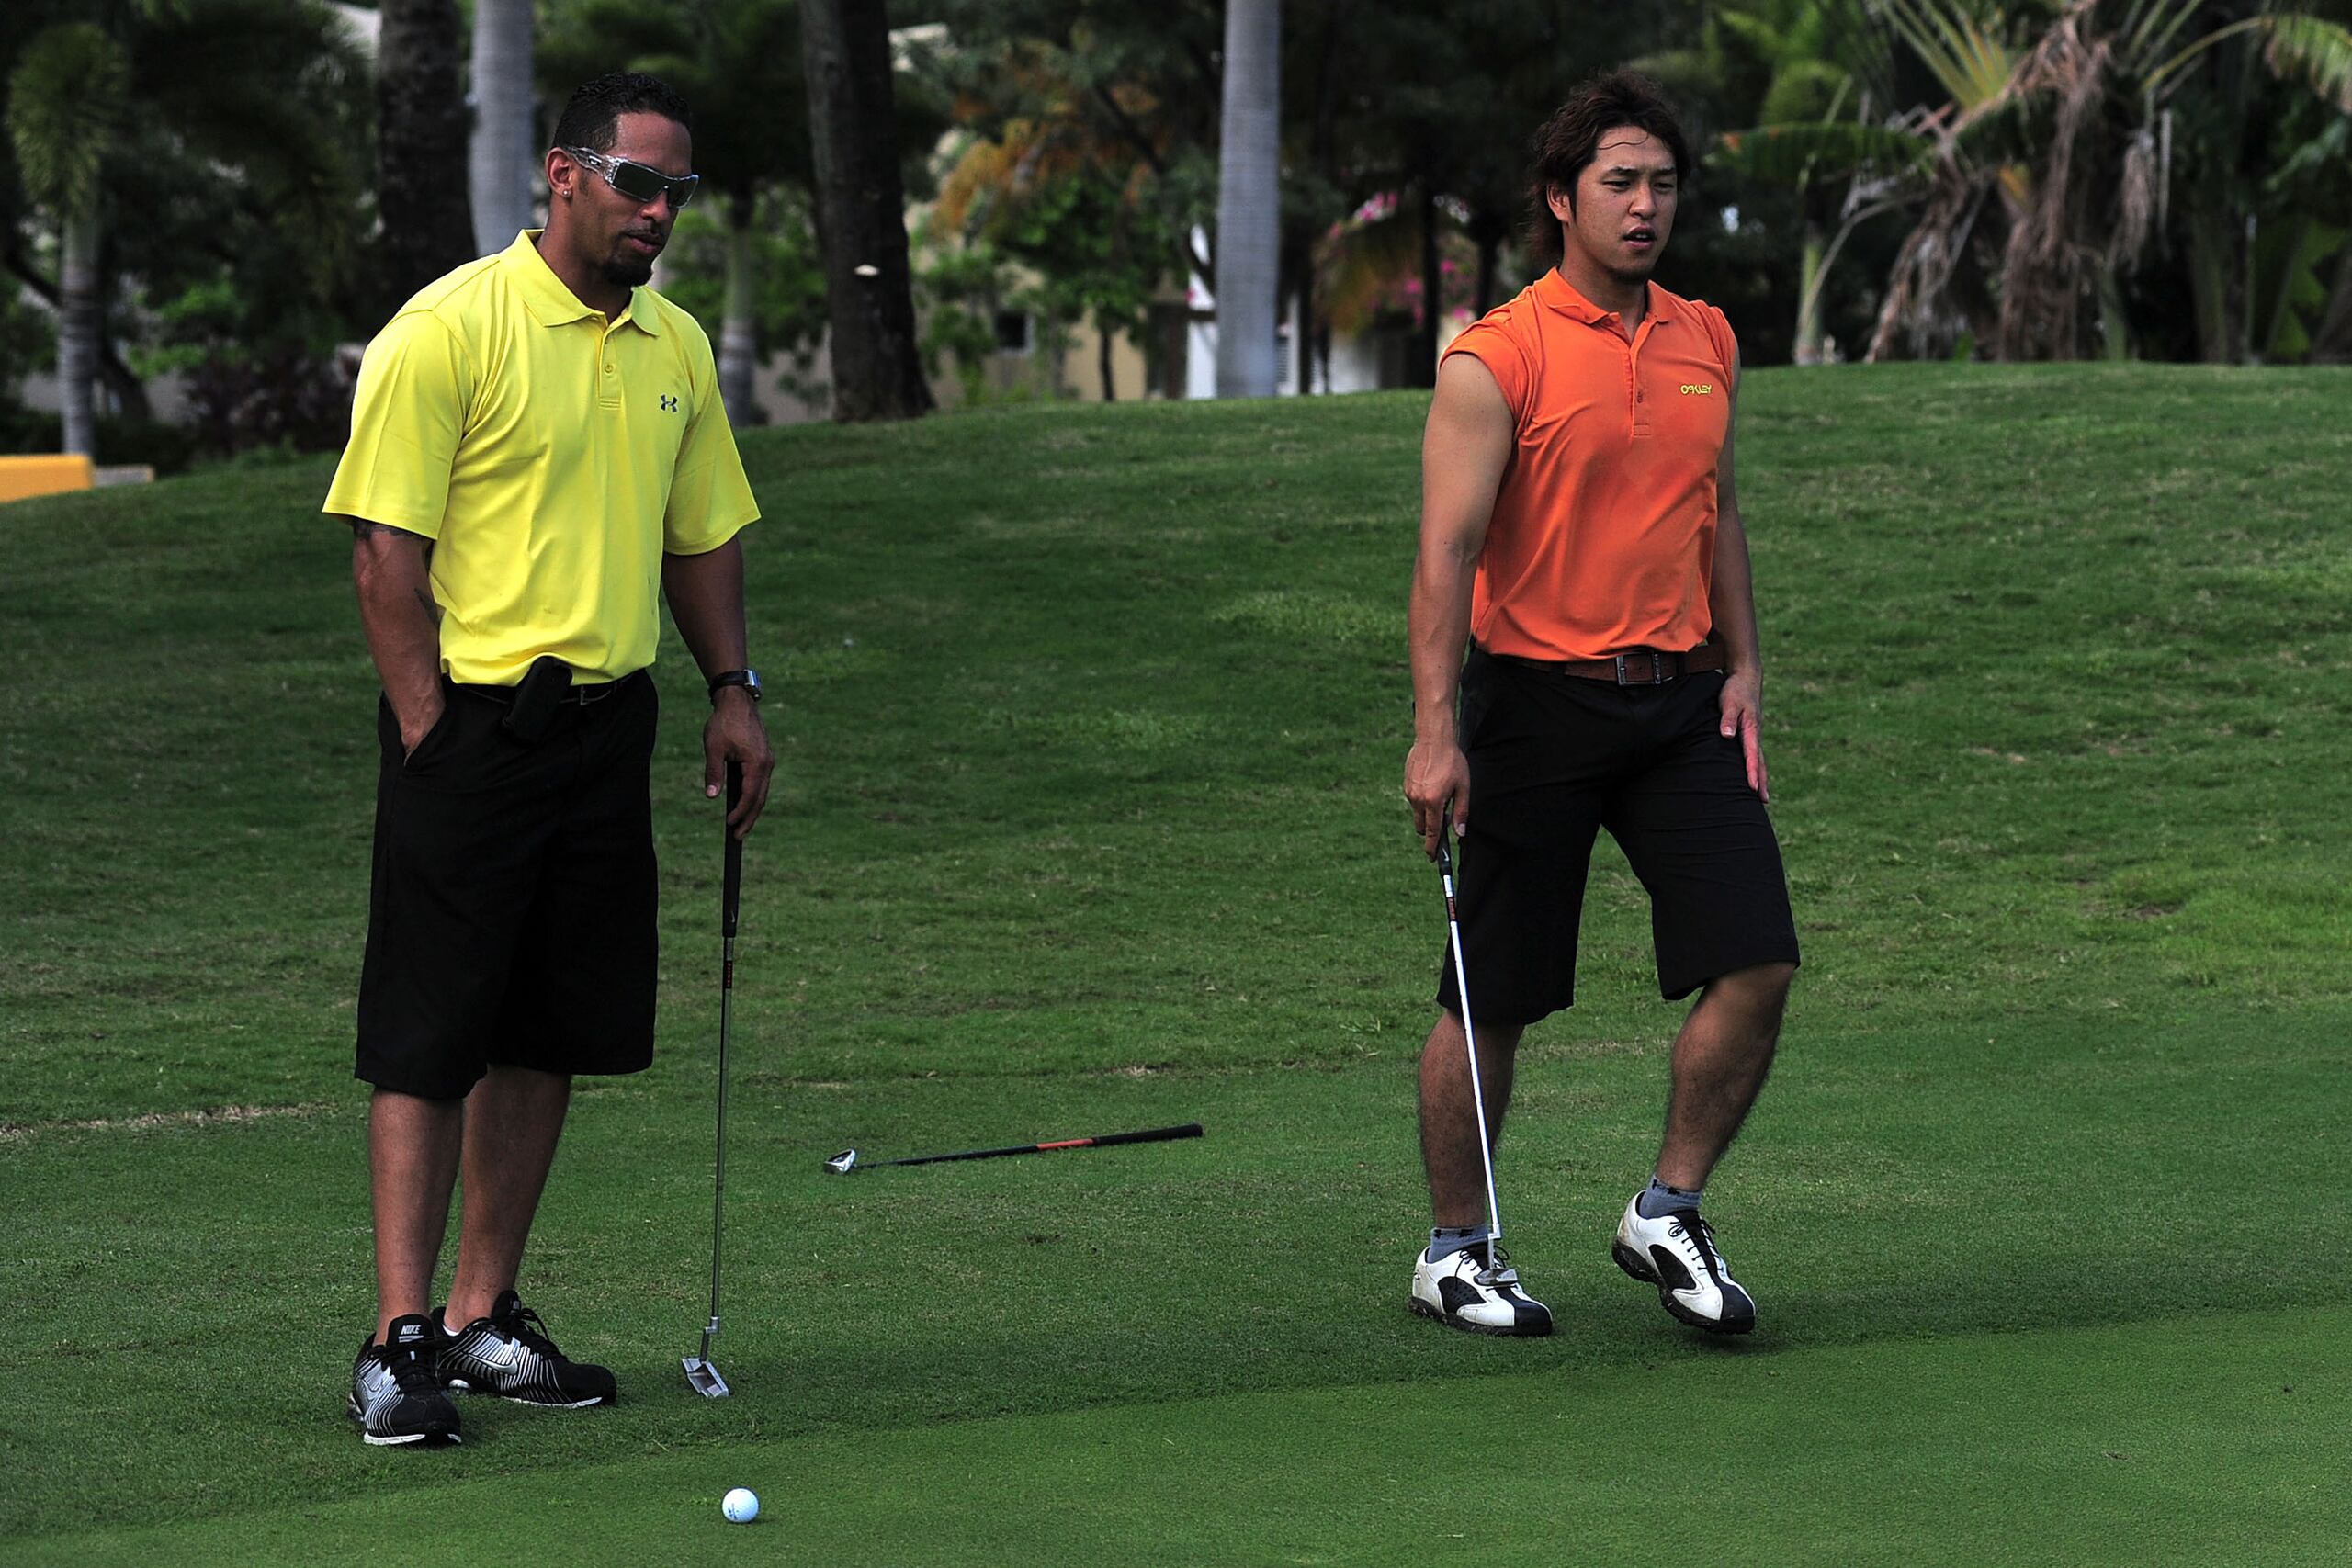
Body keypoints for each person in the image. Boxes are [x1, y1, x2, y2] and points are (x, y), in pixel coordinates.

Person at [323, 72, 773, 1446]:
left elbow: (701, 537)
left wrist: (732, 690)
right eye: (640, 184)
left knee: (546, 1032)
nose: (661, 213)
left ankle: (482, 1315)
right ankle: (399, 1339)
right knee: (429, 1033)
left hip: (605, 728)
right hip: (473, 725)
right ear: (565, 175)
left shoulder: (673, 346)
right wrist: (426, 728)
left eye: (678, 192)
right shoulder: (450, 327)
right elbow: (383, 551)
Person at [1401, 71, 1799, 1339]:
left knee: (1759, 960)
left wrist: (1743, 665)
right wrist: (1433, 730)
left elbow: (1717, 512)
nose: (1644, 206)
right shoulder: (1497, 356)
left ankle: (1666, 1210)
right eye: (1619, 183)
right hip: (1532, 706)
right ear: (1559, 198)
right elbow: (1446, 558)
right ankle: (1456, 1251)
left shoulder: (1706, 338)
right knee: (1493, 994)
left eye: (1662, 183)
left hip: (1680, 703)